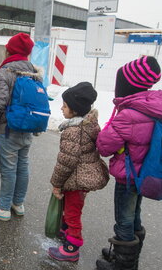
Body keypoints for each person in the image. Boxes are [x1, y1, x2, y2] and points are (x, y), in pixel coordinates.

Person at [95, 56, 162, 270]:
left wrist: (109, 124)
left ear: (128, 85)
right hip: (144, 172)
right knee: (134, 215)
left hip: (128, 176)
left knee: (124, 218)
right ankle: (130, 257)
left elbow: (104, 146)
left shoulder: (129, 114)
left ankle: (123, 265)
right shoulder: (153, 108)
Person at [48, 82, 109, 262]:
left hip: (77, 178)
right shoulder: (89, 125)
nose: (61, 108)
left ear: (74, 110)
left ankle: (71, 248)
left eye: (65, 106)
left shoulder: (73, 131)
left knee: (73, 212)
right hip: (83, 176)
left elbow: (66, 162)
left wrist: (56, 184)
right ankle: (66, 231)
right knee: (72, 207)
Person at [0, 33, 37, 220]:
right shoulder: (35, 73)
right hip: (26, 129)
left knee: (9, 169)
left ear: (9, 50)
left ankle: (3, 208)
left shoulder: (5, 72)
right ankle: (17, 204)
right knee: (22, 166)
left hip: (8, 129)